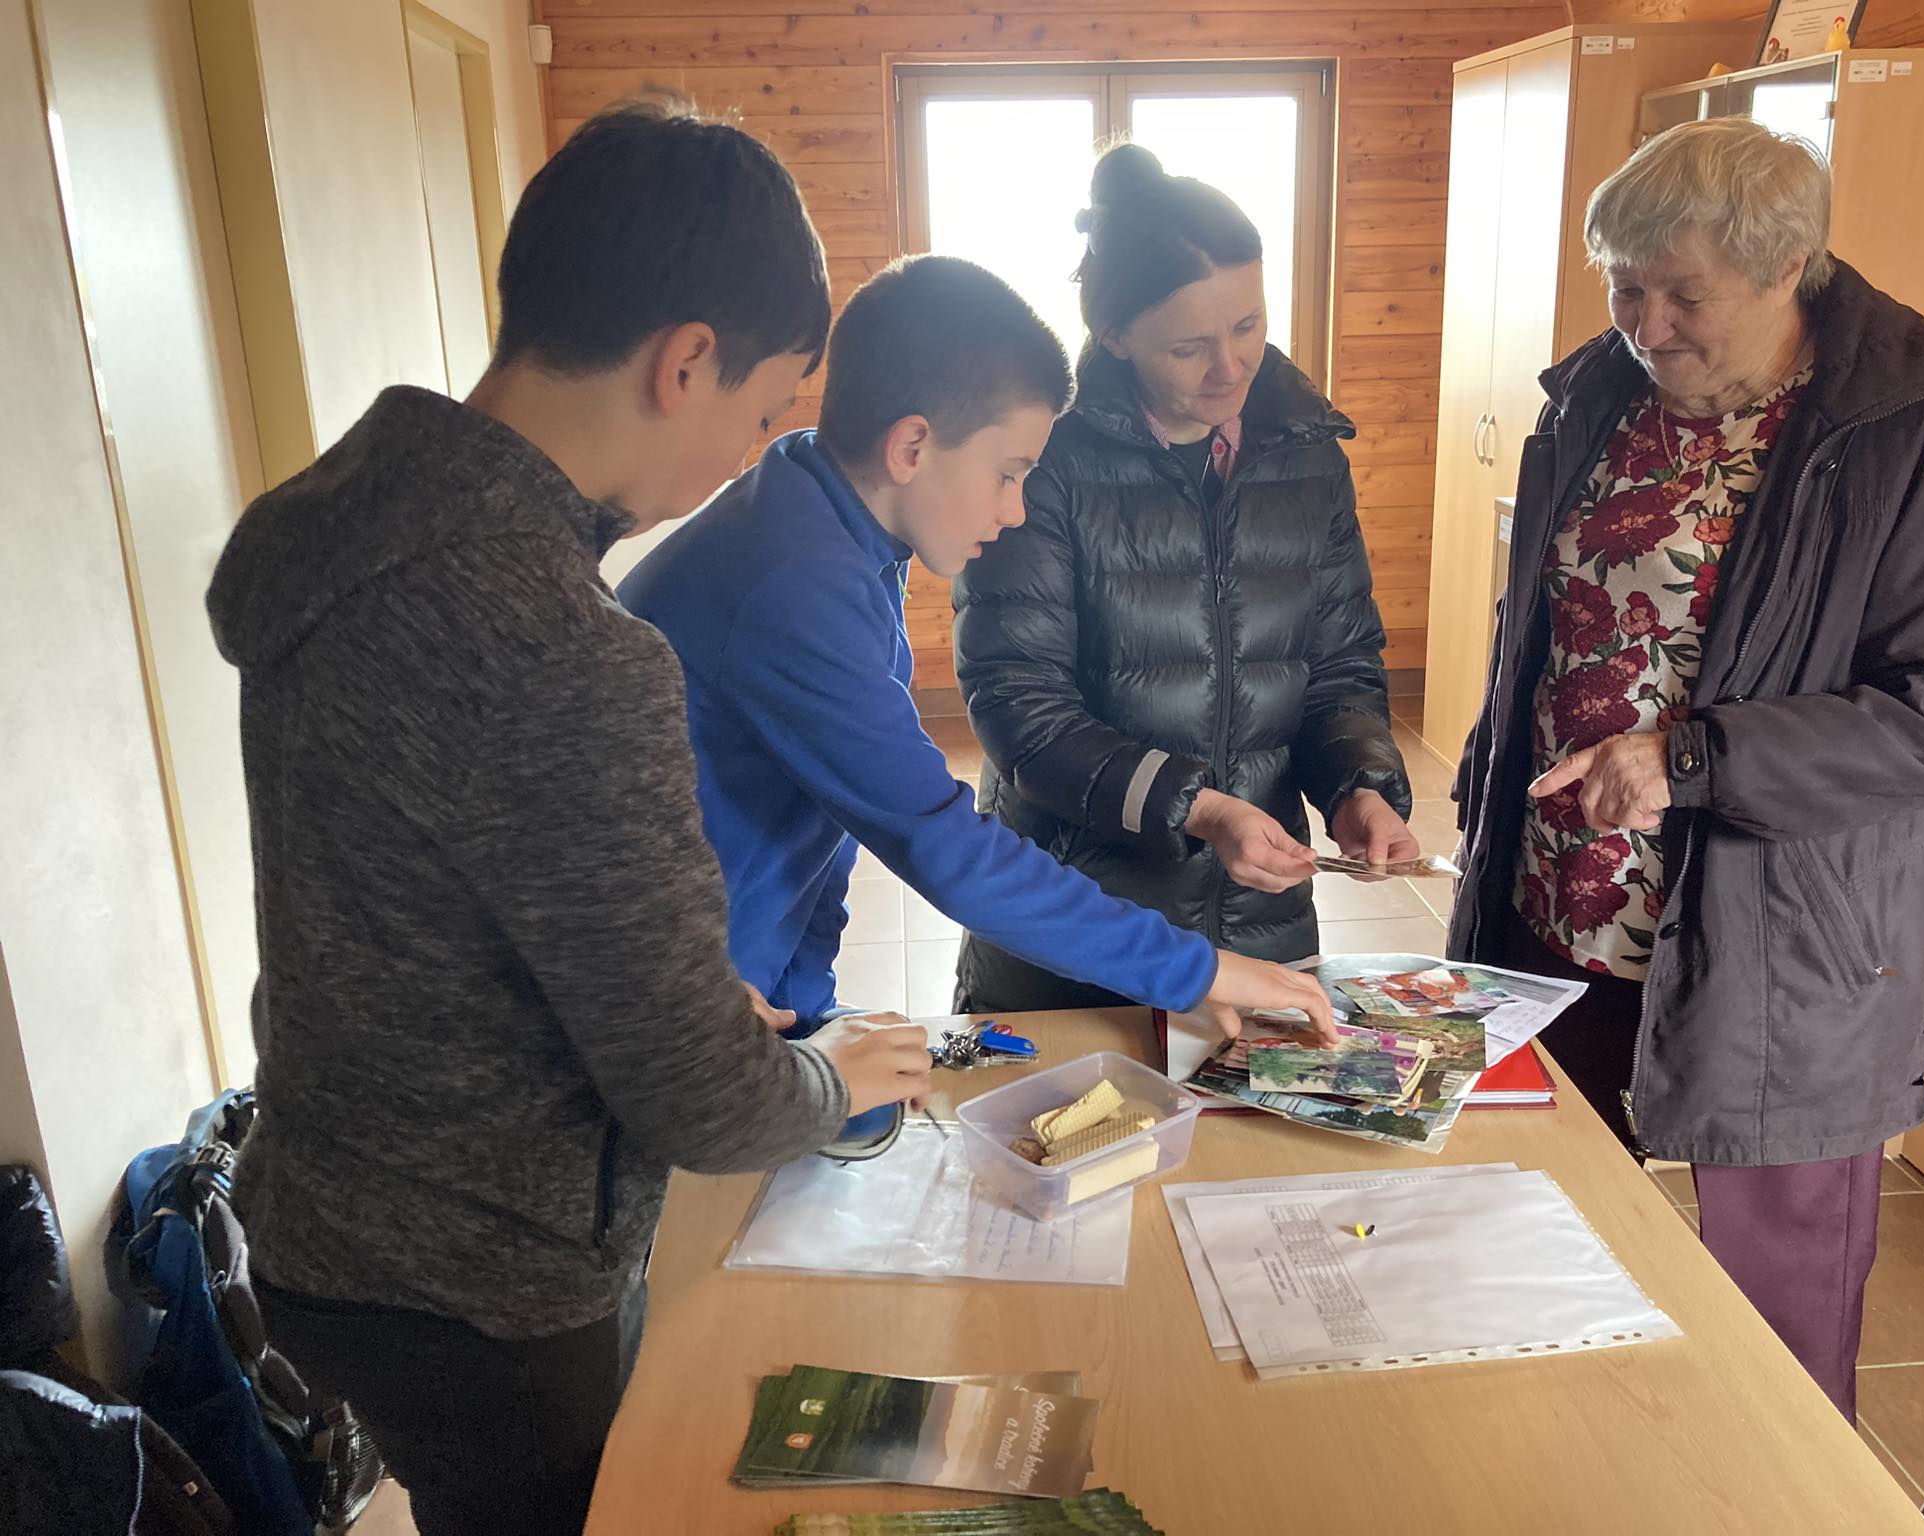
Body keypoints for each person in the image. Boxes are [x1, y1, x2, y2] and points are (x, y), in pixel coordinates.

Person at [204, 98, 933, 1535]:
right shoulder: (564, 648)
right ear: (684, 363)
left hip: (321, 1213)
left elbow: (420, 890)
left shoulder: (326, 527)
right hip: (491, 1278)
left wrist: (663, 990)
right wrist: (833, 1073)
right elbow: (704, 1105)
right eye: (761, 415)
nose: (749, 457)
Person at [1447, 118, 1924, 1419]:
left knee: (1776, 1325)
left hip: (1782, 939)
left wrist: (1693, 759)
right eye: (1623, 287)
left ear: (1788, 269)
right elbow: (1541, 633)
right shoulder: (1592, 399)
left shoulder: (1911, 430)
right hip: (1559, 899)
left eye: (1683, 295)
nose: (1644, 326)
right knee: (1530, 1246)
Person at [619, 255, 1335, 1152]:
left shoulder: (818, 515)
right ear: (912, 447)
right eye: (1009, 472)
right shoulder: (793, 583)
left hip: (740, 993)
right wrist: (1197, 970)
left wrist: (805, 1014)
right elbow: (941, 844)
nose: (1017, 508)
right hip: (673, 1008)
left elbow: (822, 824)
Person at [951, 143, 1416, 1015]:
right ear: (1116, 336)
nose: (1229, 368)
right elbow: (1020, 708)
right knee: (1083, 1104)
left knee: (1250, 1105)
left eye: (1248, 326)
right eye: (1189, 347)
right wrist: (1200, 809)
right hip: (1076, 921)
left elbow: (1339, 665)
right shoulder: (1045, 459)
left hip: (1259, 915)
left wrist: (1359, 785)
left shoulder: (1307, 453)